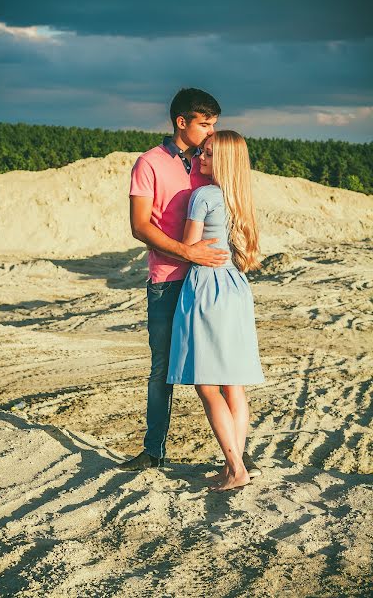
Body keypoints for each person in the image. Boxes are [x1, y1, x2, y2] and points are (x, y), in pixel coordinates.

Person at [119, 89, 261, 478]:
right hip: (168, 279)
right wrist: (187, 252)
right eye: (205, 123)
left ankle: (238, 457)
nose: (212, 131)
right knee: (162, 369)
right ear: (182, 122)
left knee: (224, 376)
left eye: (215, 124)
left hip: (210, 284)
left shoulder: (210, 164)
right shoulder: (149, 163)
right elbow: (140, 225)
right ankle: (154, 450)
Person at [166, 130, 265, 491]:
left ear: (223, 159)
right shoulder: (241, 198)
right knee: (233, 385)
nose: (200, 159)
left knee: (207, 385)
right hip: (236, 288)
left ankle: (236, 468)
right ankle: (235, 466)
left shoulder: (203, 194)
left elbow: (189, 248)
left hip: (207, 287)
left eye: (207, 154)